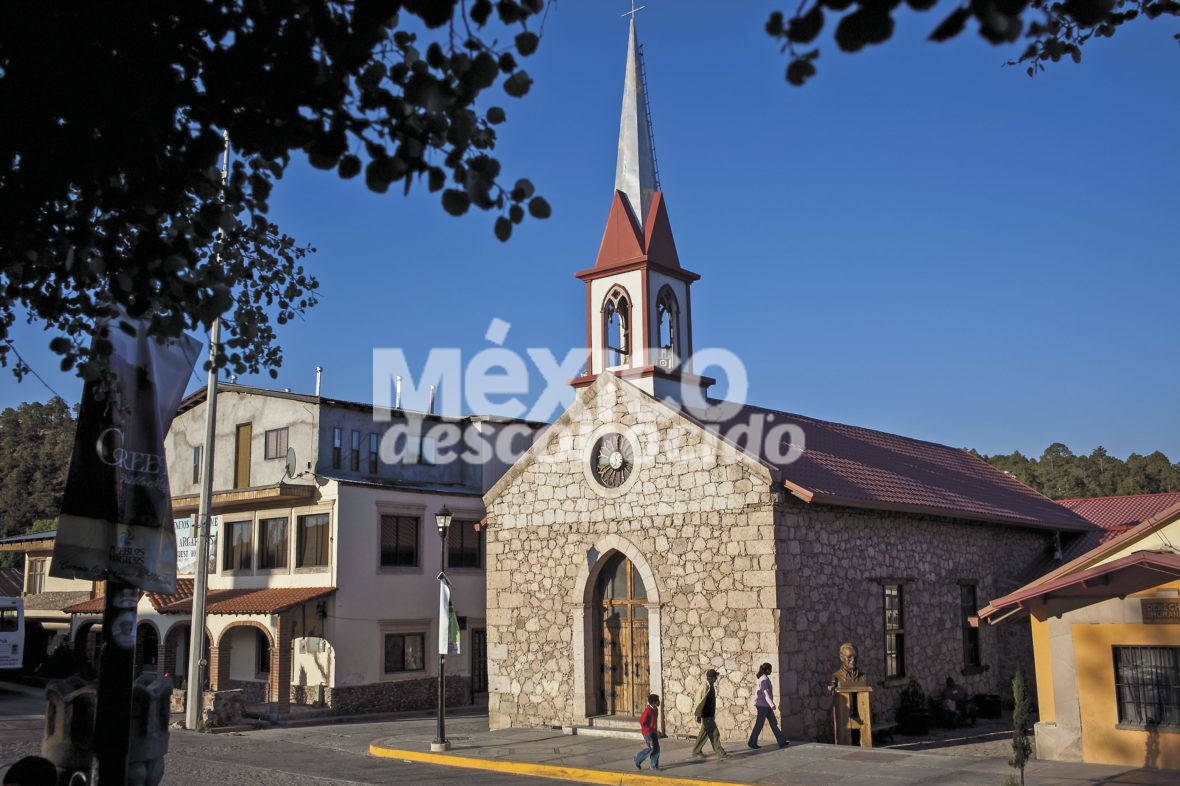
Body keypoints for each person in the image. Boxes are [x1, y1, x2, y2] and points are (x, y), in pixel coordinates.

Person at [747, 662, 789, 749]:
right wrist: (772, 704)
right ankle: (752, 742)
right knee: (759, 724)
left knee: (773, 723)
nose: (771, 671)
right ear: (767, 670)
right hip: (763, 706)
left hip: (765, 705)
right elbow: (766, 693)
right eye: (770, 669)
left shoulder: (763, 678)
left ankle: (781, 741)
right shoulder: (764, 680)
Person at [690, 669, 728, 760]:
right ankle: (721, 753)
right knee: (714, 734)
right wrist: (698, 715)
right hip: (706, 715)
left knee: (703, 734)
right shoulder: (704, 686)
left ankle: (696, 751)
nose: (716, 679)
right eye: (715, 677)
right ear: (712, 678)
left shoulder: (710, 685)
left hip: (709, 714)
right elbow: (698, 700)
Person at [634, 694, 661, 771]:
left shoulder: (655, 709)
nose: (659, 702)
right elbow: (642, 721)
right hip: (648, 733)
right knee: (651, 748)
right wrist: (649, 730)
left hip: (653, 732)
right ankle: (637, 758)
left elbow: (653, 722)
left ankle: (653, 766)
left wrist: (655, 731)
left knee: (657, 749)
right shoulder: (648, 710)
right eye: (657, 701)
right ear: (653, 702)